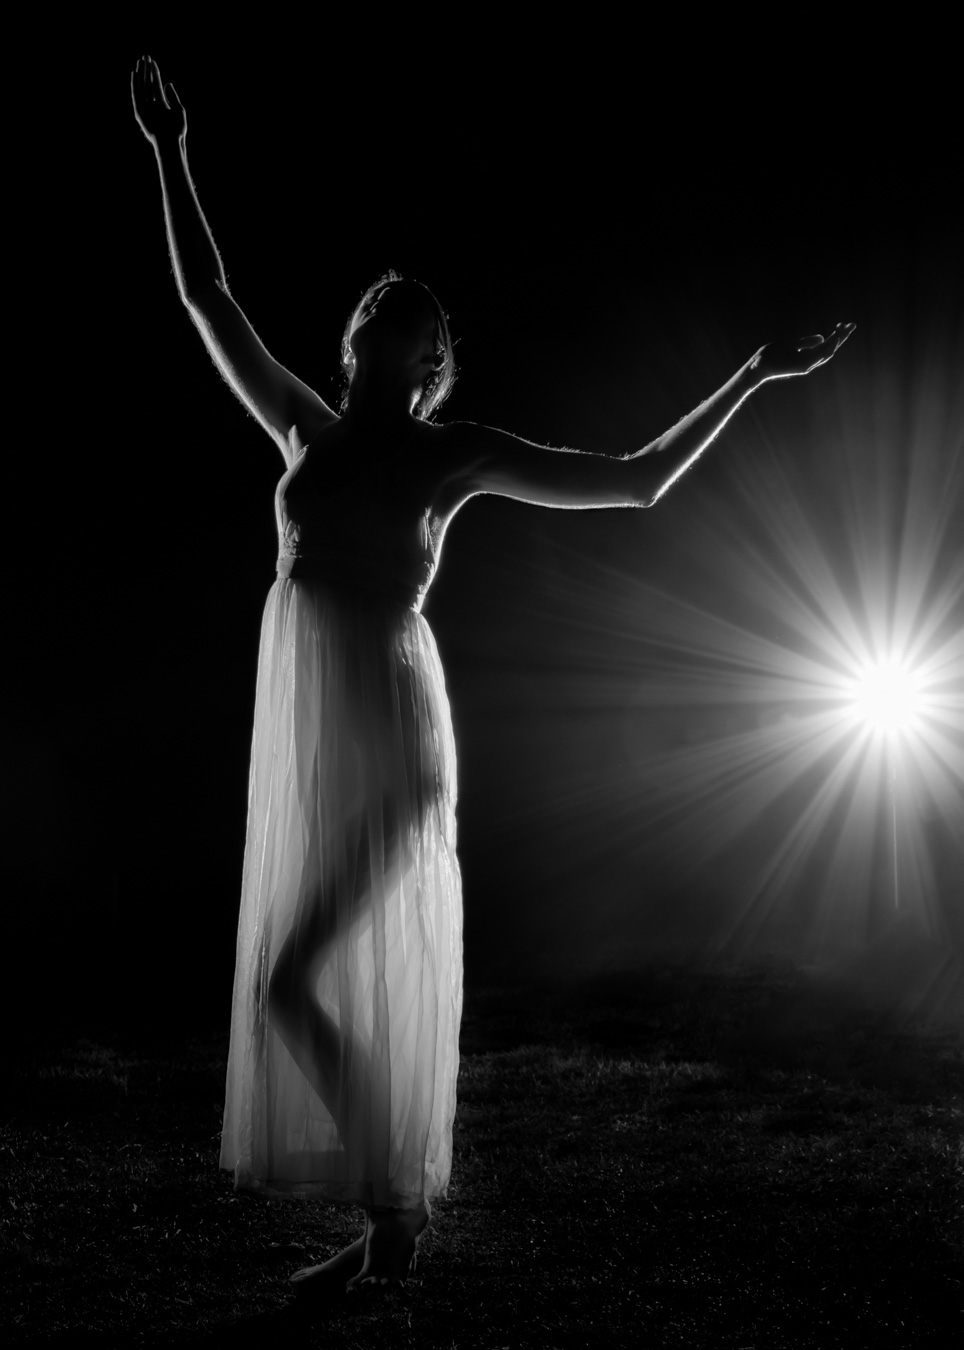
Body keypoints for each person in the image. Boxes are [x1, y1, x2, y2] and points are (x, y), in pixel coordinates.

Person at [131, 55, 854, 1295]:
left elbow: (634, 481)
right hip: (312, 732)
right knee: (287, 983)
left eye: (420, 328)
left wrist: (750, 376)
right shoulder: (302, 428)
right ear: (356, 339)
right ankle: (389, 1217)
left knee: (289, 979)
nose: (396, 326)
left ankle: (391, 1210)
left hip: (391, 735)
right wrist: (166, 146)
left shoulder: (451, 455)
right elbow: (207, 293)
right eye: (382, 313)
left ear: (431, 364)